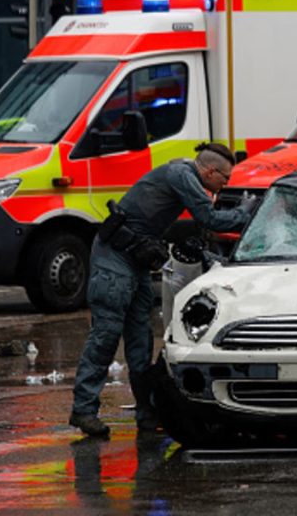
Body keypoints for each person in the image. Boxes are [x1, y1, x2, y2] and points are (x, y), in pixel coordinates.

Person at [69, 142, 257, 437]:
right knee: (105, 336)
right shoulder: (183, 176)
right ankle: (83, 410)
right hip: (114, 260)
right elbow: (209, 218)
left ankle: (147, 415)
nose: (226, 184)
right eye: (225, 179)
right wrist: (247, 213)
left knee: (141, 342)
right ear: (209, 171)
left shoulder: (182, 174)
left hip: (133, 260)